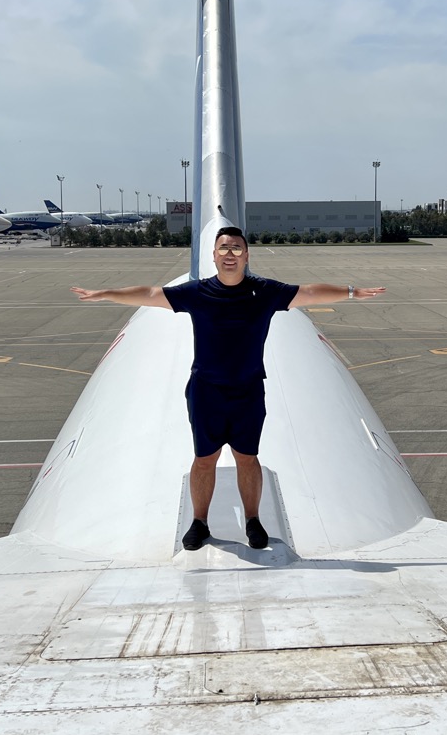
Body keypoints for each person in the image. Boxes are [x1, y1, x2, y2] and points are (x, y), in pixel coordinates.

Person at [72, 226, 385, 551]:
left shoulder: (264, 292)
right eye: (224, 248)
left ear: (246, 255)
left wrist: (351, 292)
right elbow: (151, 295)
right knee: (204, 460)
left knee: (247, 459)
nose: (230, 253)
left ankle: (253, 520)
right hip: (206, 392)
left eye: (236, 248)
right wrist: (106, 293)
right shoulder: (197, 293)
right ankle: (199, 522)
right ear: (214, 256)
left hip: (248, 392)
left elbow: (308, 292)